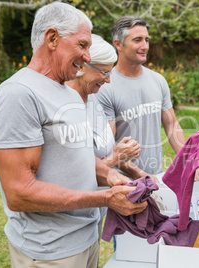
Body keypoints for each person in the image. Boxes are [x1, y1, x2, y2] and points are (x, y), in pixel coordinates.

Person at [0, 3, 146, 267]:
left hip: (86, 238)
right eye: (82, 45)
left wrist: (111, 175)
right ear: (52, 38)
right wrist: (104, 198)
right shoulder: (18, 94)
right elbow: (19, 193)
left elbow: (80, 156)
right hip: (50, 250)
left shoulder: (68, 93)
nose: (87, 56)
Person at [66, 33, 141, 250]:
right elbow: (71, 173)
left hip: (94, 215)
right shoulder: (66, 108)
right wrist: (116, 158)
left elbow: (99, 153)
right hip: (69, 223)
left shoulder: (93, 101)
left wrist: (124, 159)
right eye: (104, 73)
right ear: (82, 65)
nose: (108, 80)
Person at [95, 16, 187, 181]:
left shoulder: (158, 80)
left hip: (156, 176)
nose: (144, 46)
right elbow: (109, 147)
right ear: (118, 44)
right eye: (137, 40)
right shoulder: (105, 86)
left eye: (146, 40)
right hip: (123, 182)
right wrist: (139, 174)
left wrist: (189, 163)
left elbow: (171, 124)